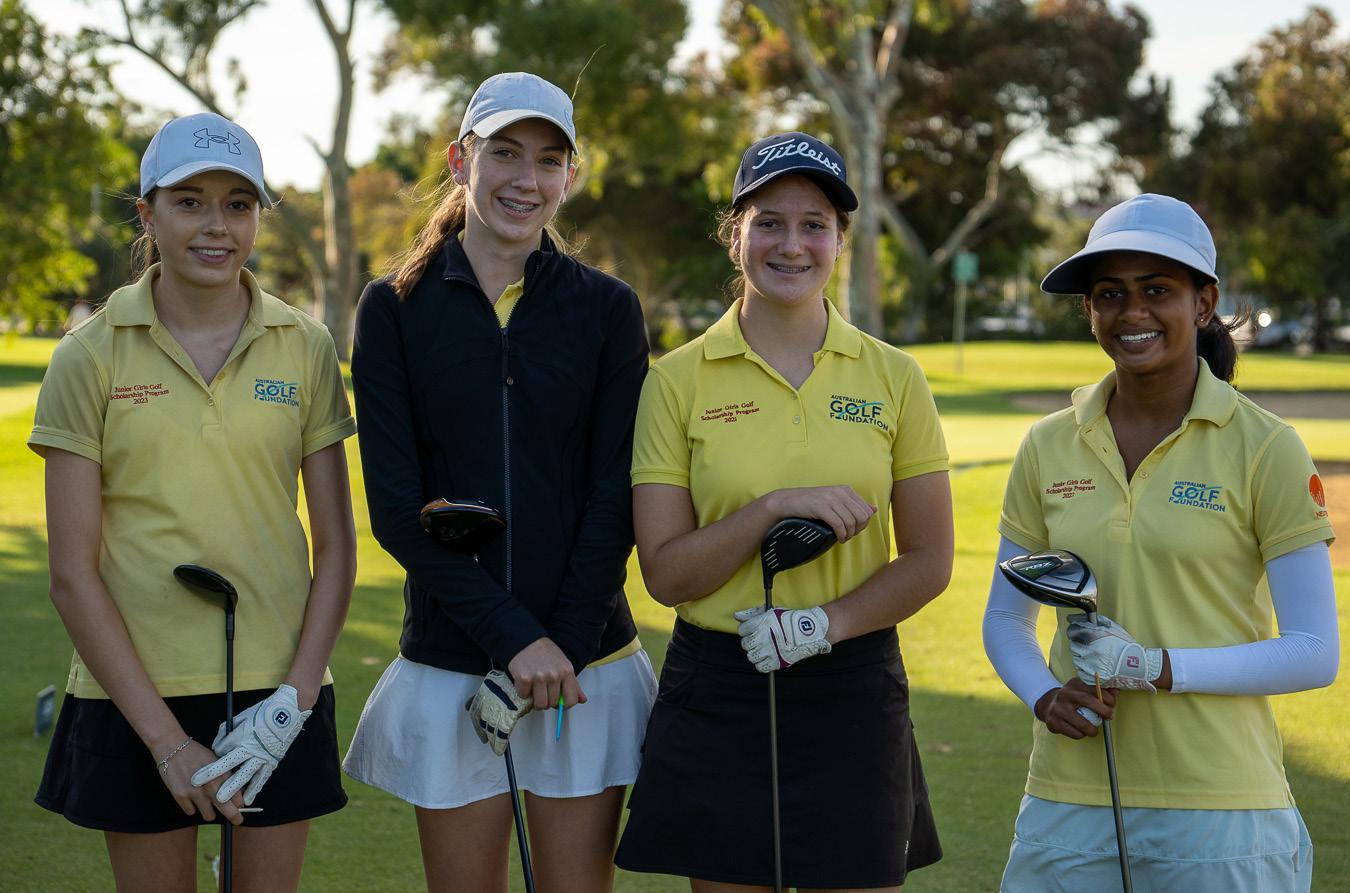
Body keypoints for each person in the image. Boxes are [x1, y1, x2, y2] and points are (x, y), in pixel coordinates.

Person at [342, 72, 657, 892]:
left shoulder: (608, 308)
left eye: (549, 160)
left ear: (570, 177)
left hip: (584, 669)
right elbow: (397, 512)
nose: (527, 178)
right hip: (453, 664)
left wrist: (563, 643)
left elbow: (614, 495)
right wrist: (516, 640)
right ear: (461, 161)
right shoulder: (392, 308)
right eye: (505, 153)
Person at [614, 132, 953, 891]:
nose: (791, 244)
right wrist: (772, 509)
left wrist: (820, 625)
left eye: (813, 225)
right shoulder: (676, 381)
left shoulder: (895, 377)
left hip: (853, 681)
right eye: (768, 222)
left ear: (840, 239)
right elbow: (666, 574)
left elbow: (930, 560)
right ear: (734, 236)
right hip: (720, 683)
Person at [30, 112, 357, 891]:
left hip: (277, 689)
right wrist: (167, 741)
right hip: (131, 688)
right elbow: (72, 572)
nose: (217, 226)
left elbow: (337, 548)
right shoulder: (88, 355)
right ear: (148, 214)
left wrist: (294, 698)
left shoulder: (306, 346)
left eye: (238, 204)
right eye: (190, 202)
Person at [983, 193, 1339, 891]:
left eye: (1157, 290)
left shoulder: (1267, 447)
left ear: (1203, 304)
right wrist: (1044, 695)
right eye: (1110, 293)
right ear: (1090, 311)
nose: (1132, 312)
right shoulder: (1048, 444)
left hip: (1223, 806)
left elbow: (1313, 651)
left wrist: (1154, 667)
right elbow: (1005, 616)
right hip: (1068, 799)